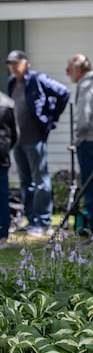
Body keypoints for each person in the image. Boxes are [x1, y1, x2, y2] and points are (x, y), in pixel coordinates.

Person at [5, 50, 70, 236]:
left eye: (16, 63)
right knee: (25, 182)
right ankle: (32, 220)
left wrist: (51, 119)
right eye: (10, 64)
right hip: (17, 141)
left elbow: (63, 92)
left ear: (26, 63)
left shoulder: (38, 79)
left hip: (35, 138)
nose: (13, 67)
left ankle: (43, 222)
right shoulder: (12, 82)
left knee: (41, 181)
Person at [66, 53, 93, 233]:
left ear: (78, 70)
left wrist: (76, 140)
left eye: (68, 70)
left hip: (89, 142)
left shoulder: (86, 87)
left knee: (91, 188)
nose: (68, 74)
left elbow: (83, 121)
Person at [0, 91, 17, 248]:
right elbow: (14, 134)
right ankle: (3, 236)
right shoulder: (7, 102)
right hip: (2, 154)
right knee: (2, 195)